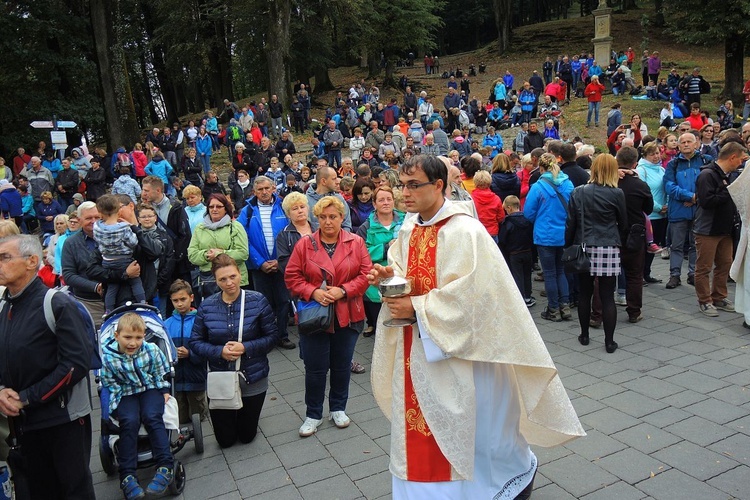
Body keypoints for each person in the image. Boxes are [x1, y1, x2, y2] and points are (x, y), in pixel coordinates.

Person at [367, 155, 583, 498]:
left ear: (438, 186)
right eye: (401, 185)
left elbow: (474, 299)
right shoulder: (409, 228)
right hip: (420, 347)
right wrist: (389, 277)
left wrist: (417, 306)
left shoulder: (465, 231)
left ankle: (486, 489)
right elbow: (404, 272)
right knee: (422, 429)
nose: (403, 194)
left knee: (477, 430)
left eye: (413, 185)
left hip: (467, 355)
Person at [0, 234, 95, 499]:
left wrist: (26, 398)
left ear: (32, 261)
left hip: (62, 419)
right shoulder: (4, 306)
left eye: (5, 257)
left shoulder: (57, 303)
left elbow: (76, 364)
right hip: (24, 424)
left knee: (73, 490)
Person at [284, 196, 372, 437]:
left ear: (342, 218)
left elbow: (366, 275)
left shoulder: (356, 242)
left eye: (333, 216)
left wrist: (343, 290)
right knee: (315, 368)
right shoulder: (305, 245)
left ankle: (338, 408)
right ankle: (313, 413)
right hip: (315, 316)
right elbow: (291, 277)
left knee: (342, 365)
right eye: (322, 217)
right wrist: (312, 291)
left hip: (348, 313)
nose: (327, 221)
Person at [189, 253, 278, 448]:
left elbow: (272, 337)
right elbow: (195, 342)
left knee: (247, 436)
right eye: (223, 279)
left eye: (232, 276)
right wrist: (219, 351)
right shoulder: (207, 306)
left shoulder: (257, 300)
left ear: (240, 274)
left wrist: (246, 347)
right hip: (221, 377)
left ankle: (248, 416)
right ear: (215, 280)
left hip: (252, 375)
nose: (229, 283)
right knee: (226, 441)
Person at [100, 313, 174, 498]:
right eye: (127, 337)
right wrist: (115, 401)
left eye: (138, 338)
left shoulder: (151, 350)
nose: (133, 343)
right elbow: (108, 381)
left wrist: (164, 390)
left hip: (150, 388)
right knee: (129, 421)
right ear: (116, 336)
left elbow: (160, 371)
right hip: (124, 392)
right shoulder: (108, 357)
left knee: (152, 416)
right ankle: (127, 475)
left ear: (144, 336)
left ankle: (165, 465)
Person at [566, 154, 627, 351]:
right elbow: (624, 224)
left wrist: (568, 246)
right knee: (608, 296)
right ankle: (609, 341)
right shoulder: (617, 193)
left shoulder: (578, 192)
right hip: (608, 246)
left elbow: (571, 223)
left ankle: (584, 335)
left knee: (585, 293)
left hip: (584, 246)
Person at [237, 176, 296, 350]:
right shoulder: (246, 211)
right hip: (259, 266)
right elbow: (243, 239)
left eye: (267, 188)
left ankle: (282, 335)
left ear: (273, 189)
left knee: (283, 302)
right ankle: (267, 337)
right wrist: (260, 261)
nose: (264, 192)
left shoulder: (284, 208)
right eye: (260, 189)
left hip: (281, 264)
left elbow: (290, 235)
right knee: (264, 303)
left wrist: (280, 261)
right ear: (254, 191)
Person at [694, 142, 745, 316]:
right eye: (739, 159)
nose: (740, 163)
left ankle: (719, 296)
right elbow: (707, 201)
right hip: (707, 229)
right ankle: (704, 301)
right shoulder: (707, 175)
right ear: (732, 157)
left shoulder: (729, 175)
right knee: (704, 267)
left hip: (725, 229)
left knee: (724, 264)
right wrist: (730, 191)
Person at [524, 153, 574, 321]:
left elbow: (528, 213)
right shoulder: (568, 184)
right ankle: (565, 305)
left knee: (550, 273)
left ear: (541, 168)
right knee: (561, 270)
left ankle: (553, 308)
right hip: (564, 234)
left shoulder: (538, 187)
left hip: (545, 235)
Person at [664, 133, 712, 289]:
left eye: (689, 141)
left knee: (695, 244)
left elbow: (710, 183)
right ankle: (675, 275)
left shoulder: (706, 161)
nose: (686, 144)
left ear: (696, 143)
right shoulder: (673, 164)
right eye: (682, 142)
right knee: (676, 245)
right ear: (678, 146)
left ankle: (693, 273)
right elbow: (669, 186)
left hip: (700, 210)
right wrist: (689, 196)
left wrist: (696, 198)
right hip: (679, 210)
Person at [356, 186, 404, 337]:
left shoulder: (406, 220)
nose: (386, 203)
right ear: (374, 204)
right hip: (377, 284)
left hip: (402, 278)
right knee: (383, 330)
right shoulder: (367, 227)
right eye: (381, 200)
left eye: (389, 199)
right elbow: (360, 253)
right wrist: (385, 248)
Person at [615, 147, 655, 323]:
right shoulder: (640, 185)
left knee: (604, 276)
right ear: (634, 163)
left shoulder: (609, 181)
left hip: (612, 233)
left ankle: (598, 313)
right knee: (634, 274)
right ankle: (634, 311)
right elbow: (648, 208)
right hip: (634, 234)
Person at [188, 193, 249, 297]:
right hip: (208, 281)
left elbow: (243, 253)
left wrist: (220, 254)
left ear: (226, 208)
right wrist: (207, 255)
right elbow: (192, 255)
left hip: (233, 281)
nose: (214, 209)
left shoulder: (236, 227)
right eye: (211, 206)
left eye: (219, 206)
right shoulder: (199, 228)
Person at [164, 279, 208, 424]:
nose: (180, 304)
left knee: (197, 415)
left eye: (183, 299)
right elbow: (162, 351)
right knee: (180, 418)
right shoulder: (167, 324)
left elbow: (206, 349)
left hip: (196, 378)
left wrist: (190, 354)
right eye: (175, 300)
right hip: (176, 380)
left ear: (191, 297)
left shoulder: (200, 322)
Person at [94, 194, 147, 312]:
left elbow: (97, 241)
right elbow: (133, 242)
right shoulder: (123, 228)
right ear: (118, 211)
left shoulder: (97, 227)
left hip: (107, 261)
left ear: (100, 213)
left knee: (112, 286)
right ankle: (142, 303)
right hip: (124, 260)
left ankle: (108, 310)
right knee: (135, 281)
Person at [637, 142, 669, 283]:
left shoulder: (661, 170)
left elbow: (667, 187)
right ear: (645, 155)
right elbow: (644, 192)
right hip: (649, 215)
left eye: (657, 153)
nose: (656, 156)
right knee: (644, 247)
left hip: (663, 214)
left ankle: (647, 273)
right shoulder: (641, 170)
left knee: (654, 246)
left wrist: (666, 205)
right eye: (652, 154)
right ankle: (639, 274)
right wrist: (657, 207)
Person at [499, 195, 535, 306]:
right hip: (527, 251)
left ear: (509, 208)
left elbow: (503, 239)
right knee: (527, 275)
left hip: (514, 253)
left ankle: (520, 298)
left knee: (517, 275)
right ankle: (528, 297)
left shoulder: (507, 222)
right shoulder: (527, 220)